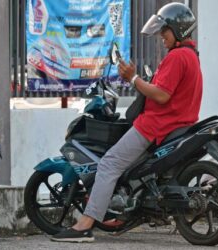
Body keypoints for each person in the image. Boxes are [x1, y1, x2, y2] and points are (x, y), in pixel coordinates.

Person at [51, 2, 202, 243]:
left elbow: (161, 95)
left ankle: (85, 225)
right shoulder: (191, 57)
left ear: (178, 30)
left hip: (156, 125)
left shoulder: (177, 57)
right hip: (176, 125)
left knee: (109, 164)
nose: (161, 36)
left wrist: (133, 78)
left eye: (165, 31)